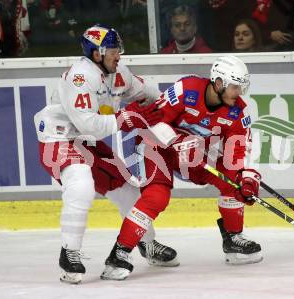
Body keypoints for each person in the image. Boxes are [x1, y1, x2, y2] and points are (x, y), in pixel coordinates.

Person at [34, 24, 179, 284]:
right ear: (96, 53)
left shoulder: (118, 72)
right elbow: (89, 124)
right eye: (112, 50)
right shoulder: (79, 76)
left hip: (86, 141)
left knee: (130, 191)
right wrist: (127, 118)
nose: (118, 55)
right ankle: (69, 253)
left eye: (117, 49)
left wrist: (175, 112)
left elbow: (149, 95)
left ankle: (147, 244)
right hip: (58, 138)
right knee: (81, 183)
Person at [101, 56, 263, 281]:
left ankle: (233, 239)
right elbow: (153, 120)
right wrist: (175, 142)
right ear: (218, 83)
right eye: (235, 87)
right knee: (157, 197)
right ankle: (119, 255)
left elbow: (239, 152)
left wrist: (246, 178)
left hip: (195, 156)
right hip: (157, 147)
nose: (239, 93)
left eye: (241, 87)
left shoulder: (238, 112)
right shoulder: (186, 89)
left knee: (233, 181)